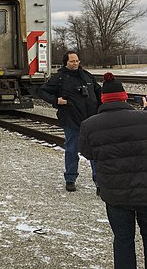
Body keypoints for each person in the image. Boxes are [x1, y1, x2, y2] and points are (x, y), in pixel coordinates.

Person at [79, 73, 147, 268]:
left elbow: (87, 153)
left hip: (115, 193)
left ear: (102, 99)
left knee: (123, 239)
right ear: (125, 97)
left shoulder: (89, 125)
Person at [38, 50, 101, 192]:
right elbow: (42, 91)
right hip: (71, 120)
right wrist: (55, 100)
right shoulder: (59, 78)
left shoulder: (87, 76)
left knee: (95, 152)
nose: (75, 63)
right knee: (71, 150)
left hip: (91, 119)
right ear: (65, 62)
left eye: (77, 61)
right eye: (72, 61)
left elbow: (99, 92)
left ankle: (99, 183)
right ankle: (70, 179)